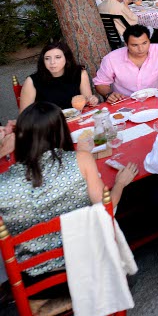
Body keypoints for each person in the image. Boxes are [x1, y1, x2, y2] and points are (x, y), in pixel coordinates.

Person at [0, 103, 137, 280]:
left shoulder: (4, 184)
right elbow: (105, 207)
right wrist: (120, 183)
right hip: (89, 266)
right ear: (61, 131)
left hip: (32, 277)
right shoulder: (81, 160)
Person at [94, 25, 158, 102]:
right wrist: (109, 94)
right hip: (125, 101)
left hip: (154, 99)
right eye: (134, 45)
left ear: (149, 41)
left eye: (144, 43)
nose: (141, 49)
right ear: (126, 44)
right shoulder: (111, 59)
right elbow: (101, 83)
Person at [18, 41, 99, 112]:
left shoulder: (79, 73)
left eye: (57, 57)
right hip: (49, 123)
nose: (52, 62)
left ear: (66, 58)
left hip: (78, 119)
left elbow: (87, 101)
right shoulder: (32, 81)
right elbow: (25, 115)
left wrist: (91, 100)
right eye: (47, 58)